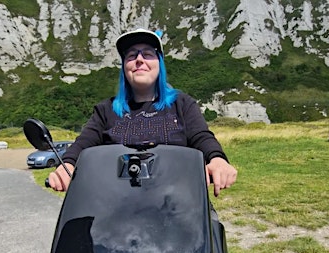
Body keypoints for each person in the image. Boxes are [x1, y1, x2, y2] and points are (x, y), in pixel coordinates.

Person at [48, 28, 237, 197]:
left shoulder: (182, 103)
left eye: (147, 54)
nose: (139, 60)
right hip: (115, 210)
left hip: (178, 205)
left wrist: (218, 160)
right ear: (124, 67)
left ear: (160, 64)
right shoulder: (105, 110)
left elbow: (201, 136)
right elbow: (83, 143)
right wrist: (67, 166)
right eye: (131, 55)